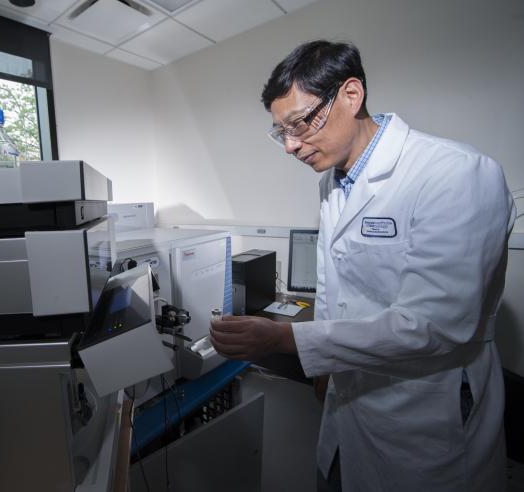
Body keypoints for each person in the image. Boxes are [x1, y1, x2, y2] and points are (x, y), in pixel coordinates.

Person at [210, 40, 516, 491]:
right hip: (346, 396)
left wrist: (285, 338)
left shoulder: (455, 173)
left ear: (351, 95)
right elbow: (338, 287)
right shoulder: (332, 183)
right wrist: (326, 369)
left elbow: (433, 324)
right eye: (281, 132)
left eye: (300, 123)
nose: (291, 146)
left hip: (424, 411)